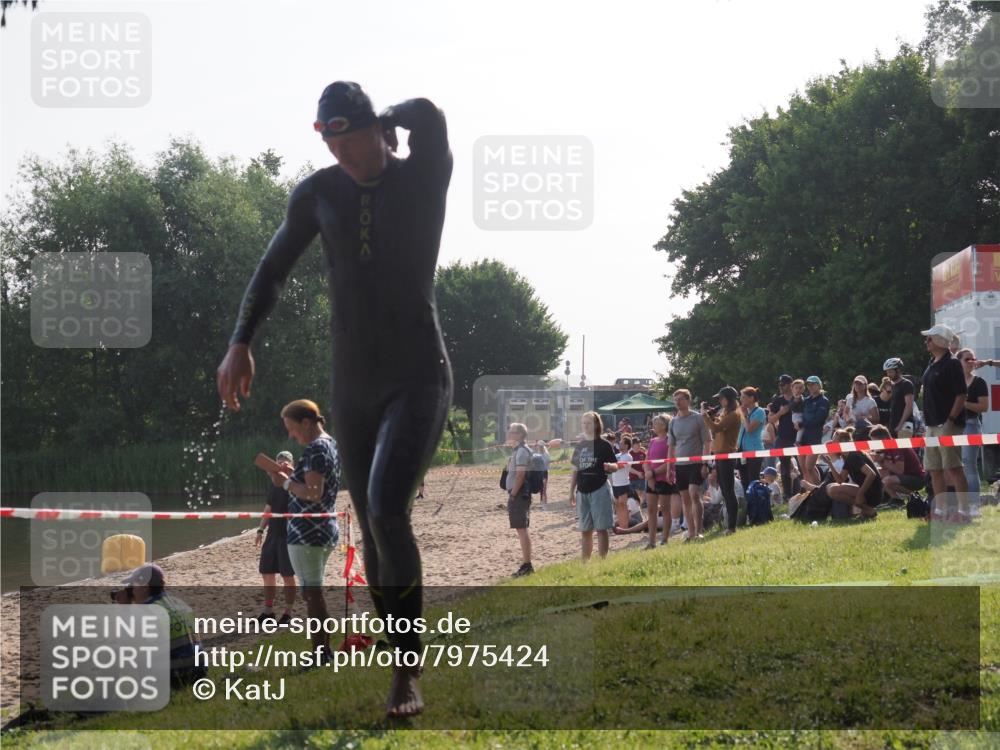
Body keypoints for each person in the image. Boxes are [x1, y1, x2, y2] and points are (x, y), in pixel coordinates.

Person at [217, 82, 453, 717]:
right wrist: (240, 341)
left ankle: (408, 674)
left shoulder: (424, 174)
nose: (347, 158)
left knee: (385, 506)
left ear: (382, 132)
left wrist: (387, 120)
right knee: (373, 532)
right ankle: (396, 648)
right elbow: (271, 269)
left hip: (418, 374)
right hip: (353, 383)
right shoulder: (319, 193)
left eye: (356, 143)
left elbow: (429, 114)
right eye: (333, 145)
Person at [268, 400, 340, 663]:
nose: (290, 434)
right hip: (323, 528)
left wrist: (285, 482)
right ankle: (323, 650)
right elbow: (314, 483)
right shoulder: (329, 444)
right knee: (314, 592)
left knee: (312, 594)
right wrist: (293, 475)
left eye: (291, 427)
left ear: (306, 422)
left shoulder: (315, 448)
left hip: (308, 532)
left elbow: (313, 493)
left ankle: (321, 653)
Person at [114, 564, 206, 688]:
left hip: (175, 677)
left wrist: (125, 609)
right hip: (199, 672)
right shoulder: (179, 603)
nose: (131, 591)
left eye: (132, 586)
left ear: (144, 587)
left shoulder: (147, 612)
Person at [920, 325, 970, 523]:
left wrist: (950, 421)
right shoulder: (932, 363)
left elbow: (961, 394)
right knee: (934, 469)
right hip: (931, 425)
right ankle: (940, 512)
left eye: (930, 339)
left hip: (947, 424)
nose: (926, 342)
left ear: (941, 341)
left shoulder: (952, 364)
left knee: (954, 468)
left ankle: (964, 512)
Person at [569, 411, 619, 560]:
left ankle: (603, 561)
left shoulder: (605, 445)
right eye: (583, 423)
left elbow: (616, 465)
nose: (585, 426)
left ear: (596, 424)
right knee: (585, 530)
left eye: (588, 423)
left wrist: (611, 466)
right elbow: (575, 470)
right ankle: (586, 562)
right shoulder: (580, 446)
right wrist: (571, 491)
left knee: (601, 529)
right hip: (582, 491)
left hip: (600, 489)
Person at [255, 450, 297, 625]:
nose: (281, 464)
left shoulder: (294, 482)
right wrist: (260, 530)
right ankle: (268, 611)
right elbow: (268, 509)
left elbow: (304, 487)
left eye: (285, 462)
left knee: (287, 575)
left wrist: (291, 472)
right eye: (279, 461)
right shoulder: (274, 484)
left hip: (289, 535)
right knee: (267, 571)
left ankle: (288, 612)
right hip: (273, 534)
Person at [669, 389, 712, 541]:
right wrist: (669, 468)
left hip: (696, 462)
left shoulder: (698, 418)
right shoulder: (673, 421)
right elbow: (671, 446)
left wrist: (705, 463)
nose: (678, 402)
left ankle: (699, 530)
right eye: (676, 400)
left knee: (694, 494)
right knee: (685, 499)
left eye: (681, 399)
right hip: (680, 465)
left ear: (688, 400)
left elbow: (707, 441)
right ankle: (691, 532)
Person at [702, 386, 741, 536]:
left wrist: (705, 416)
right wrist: (711, 416)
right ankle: (729, 525)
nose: (719, 401)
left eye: (721, 398)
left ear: (728, 399)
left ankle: (732, 527)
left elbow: (716, 429)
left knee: (729, 491)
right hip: (720, 453)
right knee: (725, 491)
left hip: (726, 454)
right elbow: (715, 428)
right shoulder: (726, 413)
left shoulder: (733, 414)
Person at [819, 429, 881, 518]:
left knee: (832, 489)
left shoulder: (854, 456)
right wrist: (830, 464)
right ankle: (865, 510)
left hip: (874, 492)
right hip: (868, 490)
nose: (832, 445)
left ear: (842, 443)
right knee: (829, 487)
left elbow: (871, 474)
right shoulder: (848, 457)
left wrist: (860, 494)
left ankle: (867, 509)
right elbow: (840, 480)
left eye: (834, 442)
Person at [958, 348, 988, 516]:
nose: (971, 362)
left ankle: (974, 506)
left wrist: (964, 404)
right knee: (957, 467)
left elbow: (984, 407)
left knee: (969, 465)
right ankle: (962, 506)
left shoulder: (979, 382)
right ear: (959, 362)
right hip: (955, 426)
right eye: (966, 359)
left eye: (972, 359)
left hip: (971, 425)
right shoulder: (954, 382)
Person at [505, 424, 534, 577]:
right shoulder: (518, 450)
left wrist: (513, 495)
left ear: (520, 434)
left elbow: (520, 476)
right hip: (520, 494)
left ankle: (527, 564)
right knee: (521, 529)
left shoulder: (522, 451)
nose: (509, 434)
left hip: (519, 494)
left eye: (512, 432)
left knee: (522, 529)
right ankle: (526, 563)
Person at [643, 414, 675, 548]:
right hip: (651, 479)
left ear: (663, 425)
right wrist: (648, 474)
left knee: (665, 509)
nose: (653, 426)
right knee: (651, 510)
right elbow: (646, 460)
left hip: (664, 479)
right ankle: (651, 541)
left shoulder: (670, 441)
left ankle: (665, 539)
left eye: (655, 423)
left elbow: (670, 463)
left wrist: (653, 473)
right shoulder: (652, 441)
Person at [868, 425, 924, 499]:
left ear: (883, 439)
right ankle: (895, 499)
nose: (874, 445)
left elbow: (899, 471)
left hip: (916, 478)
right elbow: (885, 469)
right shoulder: (884, 449)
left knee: (886, 480)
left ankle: (913, 496)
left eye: (875, 442)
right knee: (876, 474)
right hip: (903, 476)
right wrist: (878, 460)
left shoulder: (897, 446)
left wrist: (882, 460)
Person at [768, 375, 799, 498]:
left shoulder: (799, 399)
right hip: (783, 436)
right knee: (785, 467)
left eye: (783, 384)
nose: (780, 387)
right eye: (779, 384)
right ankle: (787, 495)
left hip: (799, 437)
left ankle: (803, 491)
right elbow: (770, 419)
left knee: (801, 466)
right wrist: (781, 412)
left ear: (791, 384)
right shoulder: (778, 401)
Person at [736, 386, 767, 497]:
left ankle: (756, 504)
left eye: (743, 397)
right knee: (744, 480)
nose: (741, 400)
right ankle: (748, 507)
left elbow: (749, 429)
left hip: (754, 450)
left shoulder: (760, 412)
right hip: (742, 451)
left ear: (751, 398)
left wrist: (744, 415)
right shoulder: (745, 413)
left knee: (753, 479)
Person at [800, 376, 830, 485]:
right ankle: (811, 491)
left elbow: (819, 419)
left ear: (819, 385)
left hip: (815, 436)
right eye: (808, 384)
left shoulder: (823, 401)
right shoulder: (806, 400)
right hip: (804, 436)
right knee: (804, 468)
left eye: (813, 384)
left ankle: (818, 489)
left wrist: (803, 423)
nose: (810, 386)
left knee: (809, 466)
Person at [883, 358, 914, 438]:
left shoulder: (906, 384)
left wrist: (900, 425)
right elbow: (884, 400)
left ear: (898, 370)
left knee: (905, 450)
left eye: (890, 371)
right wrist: (888, 390)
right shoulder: (892, 385)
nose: (888, 374)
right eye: (887, 372)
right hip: (893, 424)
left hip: (904, 424)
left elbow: (909, 406)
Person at [612, 436, 635, 529]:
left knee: (623, 505)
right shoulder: (617, 455)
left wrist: (610, 465)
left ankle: (624, 527)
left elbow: (619, 466)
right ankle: (621, 526)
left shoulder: (628, 456)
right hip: (615, 484)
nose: (619, 444)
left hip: (623, 483)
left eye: (621, 443)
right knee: (618, 505)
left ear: (626, 445)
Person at [628, 438, 647, 509]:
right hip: (631, 479)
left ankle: (642, 508)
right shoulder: (629, 455)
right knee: (634, 497)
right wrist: (638, 473)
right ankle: (636, 510)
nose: (639, 444)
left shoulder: (643, 454)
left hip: (641, 479)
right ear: (632, 445)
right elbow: (628, 468)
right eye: (637, 443)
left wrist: (644, 470)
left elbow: (646, 465)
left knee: (642, 496)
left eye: (639, 443)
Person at [535, 439, 551, 509]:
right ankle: (542, 503)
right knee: (540, 488)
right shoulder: (538, 454)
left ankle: (544, 505)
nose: (538, 447)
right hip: (538, 473)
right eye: (538, 446)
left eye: (539, 446)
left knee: (543, 489)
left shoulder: (545, 455)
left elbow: (545, 464)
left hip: (543, 472)